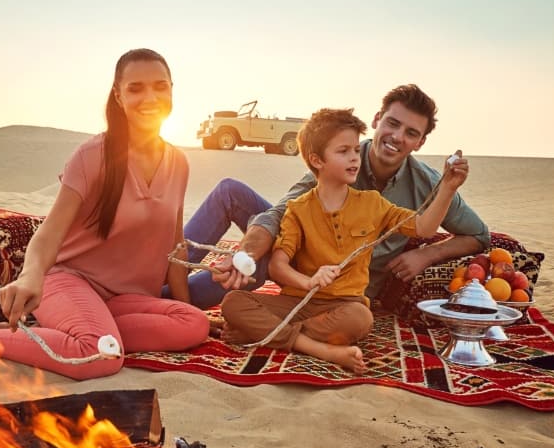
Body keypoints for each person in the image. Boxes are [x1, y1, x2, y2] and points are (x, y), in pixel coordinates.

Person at [0, 48, 209, 379]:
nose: (150, 97)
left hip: (126, 299)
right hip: (70, 282)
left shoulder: (178, 163)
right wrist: (31, 276)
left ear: (172, 88)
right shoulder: (92, 156)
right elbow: (50, 232)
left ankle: (67, 332)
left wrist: (184, 305)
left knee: (194, 324)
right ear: (118, 94)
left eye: (160, 86)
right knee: (100, 356)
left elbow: (175, 245)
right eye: (136, 88)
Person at [173, 84, 489, 310]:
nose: (397, 137)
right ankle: (160, 275)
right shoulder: (339, 156)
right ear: (378, 120)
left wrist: (424, 255)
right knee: (232, 194)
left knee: (264, 261)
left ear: (420, 142)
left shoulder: (429, 184)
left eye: (411, 133)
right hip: (299, 253)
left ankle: (170, 301)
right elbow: (282, 212)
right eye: (393, 123)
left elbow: (479, 235)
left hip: (341, 288)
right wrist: (246, 253)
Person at [219, 108, 469, 374]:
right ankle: (318, 348)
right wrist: (309, 281)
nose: (354, 158)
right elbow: (277, 266)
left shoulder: (373, 203)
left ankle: (265, 334)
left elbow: (423, 228)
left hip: (344, 308)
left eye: (355, 150)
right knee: (233, 302)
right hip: (297, 302)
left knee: (361, 319)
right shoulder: (298, 208)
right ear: (317, 160)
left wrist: (448, 189)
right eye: (343, 151)